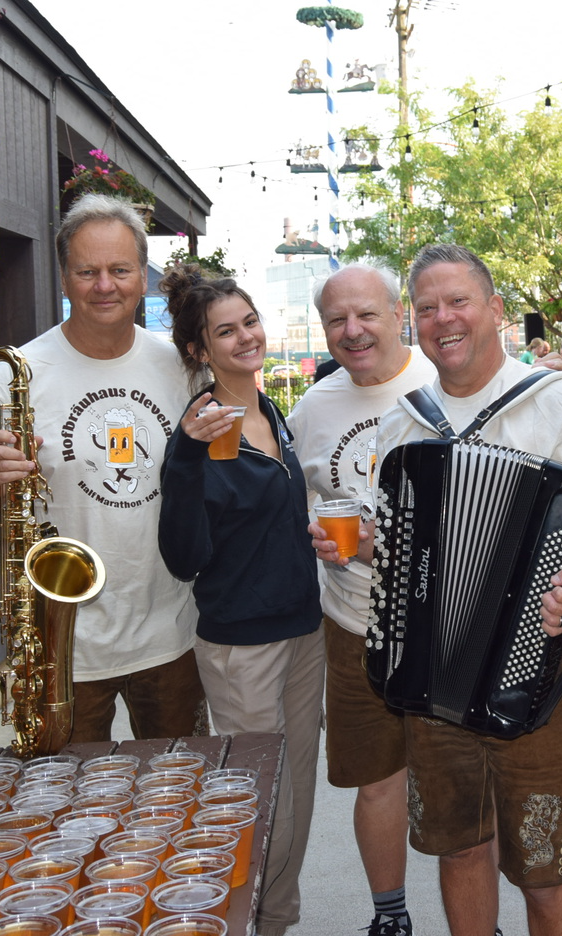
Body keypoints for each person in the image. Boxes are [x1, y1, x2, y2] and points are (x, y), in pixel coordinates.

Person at [315, 244, 562, 936]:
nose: (443, 319)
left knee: (543, 866)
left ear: (494, 311)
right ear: (415, 325)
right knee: (459, 847)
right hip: (434, 679)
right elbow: (407, 544)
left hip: (534, 673)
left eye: (458, 301)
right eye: (427, 308)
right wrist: (367, 547)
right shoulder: (407, 421)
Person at [0, 194, 207, 744]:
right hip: (61, 650)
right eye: (87, 271)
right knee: (68, 815)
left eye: (119, 270)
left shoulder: (182, 368)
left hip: (173, 635)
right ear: (64, 279)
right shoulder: (13, 376)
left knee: (178, 798)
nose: (104, 285)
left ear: (142, 276)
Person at [156, 268, 323, 936]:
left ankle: (276, 922)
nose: (245, 337)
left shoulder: (270, 410)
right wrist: (186, 460)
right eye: (225, 331)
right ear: (199, 351)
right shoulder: (198, 435)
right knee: (259, 807)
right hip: (241, 644)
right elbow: (182, 556)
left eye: (249, 322)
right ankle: (244, 919)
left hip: (303, 632)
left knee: (299, 796)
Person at [287, 261, 437, 936]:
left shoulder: (442, 383)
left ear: (397, 313)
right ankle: (391, 915)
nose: (352, 332)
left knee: (463, 776)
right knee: (377, 778)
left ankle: (478, 917)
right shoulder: (314, 407)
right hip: (353, 621)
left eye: (366, 314)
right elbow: (300, 503)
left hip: (444, 620)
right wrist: (315, 531)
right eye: (337, 320)